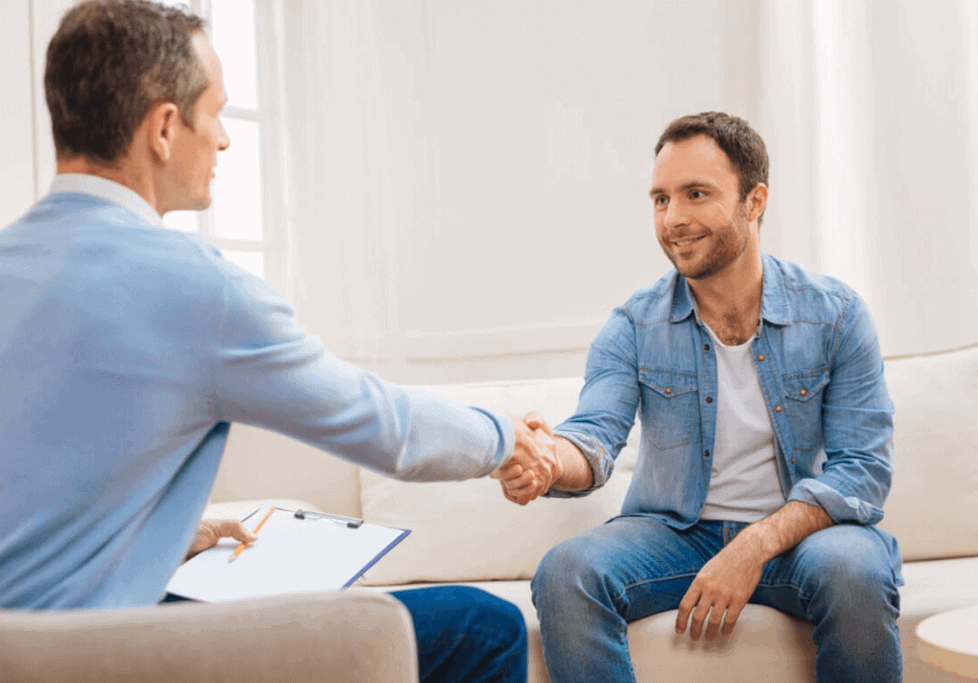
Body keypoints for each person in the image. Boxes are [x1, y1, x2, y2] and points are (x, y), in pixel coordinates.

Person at [0, 2, 558, 682]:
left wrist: (161, 538)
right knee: (484, 624)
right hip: (103, 657)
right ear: (166, 128)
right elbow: (387, 428)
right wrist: (504, 435)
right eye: (218, 113)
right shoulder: (199, 290)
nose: (227, 141)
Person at [506, 112, 902, 683]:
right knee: (567, 571)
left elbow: (861, 471)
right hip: (673, 534)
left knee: (854, 571)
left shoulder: (836, 315)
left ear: (754, 200)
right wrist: (545, 460)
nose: (674, 219)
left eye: (696, 194)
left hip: (803, 535)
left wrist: (754, 546)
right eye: (661, 199)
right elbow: (593, 437)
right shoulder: (634, 325)